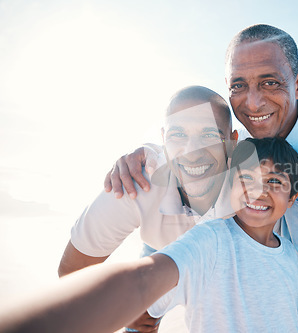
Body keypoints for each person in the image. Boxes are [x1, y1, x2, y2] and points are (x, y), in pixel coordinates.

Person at [109, 24, 298, 333]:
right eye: (239, 85)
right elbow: (183, 185)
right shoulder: (233, 149)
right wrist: (145, 156)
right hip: (279, 311)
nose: (253, 102)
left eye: (270, 83)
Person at [0, 137, 298, 333]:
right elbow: (143, 281)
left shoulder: (291, 257)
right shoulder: (210, 241)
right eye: (246, 179)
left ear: (293, 196)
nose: (259, 191)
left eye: (275, 182)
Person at [58, 85, 238, 332]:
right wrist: (116, 310)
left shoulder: (256, 185)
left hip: (223, 253)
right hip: (160, 241)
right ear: (163, 139)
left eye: (209, 135)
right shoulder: (135, 183)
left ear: (233, 143)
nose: (193, 153)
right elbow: (72, 272)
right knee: (138, 316)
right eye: (178, 135)